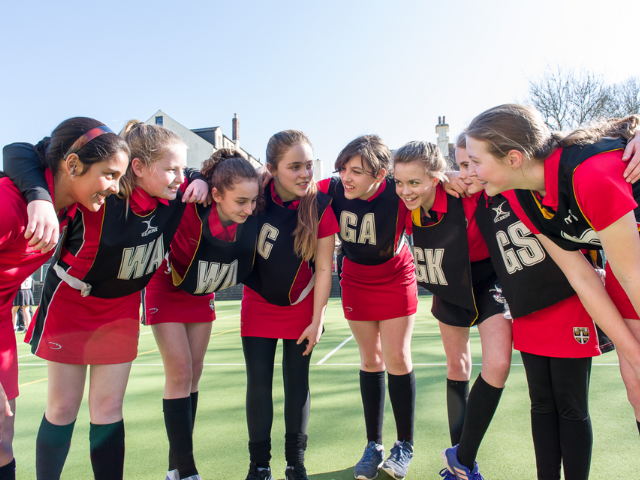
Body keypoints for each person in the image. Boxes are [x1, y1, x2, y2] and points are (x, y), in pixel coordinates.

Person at [3, 120, 208, 480]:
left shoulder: (177, 190)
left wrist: (203, 177)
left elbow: (223, 171)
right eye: (171, 169)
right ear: (138, 169)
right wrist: (38, 195)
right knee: (63, 406)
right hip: (73, 302)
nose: (180, 176)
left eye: (182, 169)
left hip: (120, 308)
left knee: (109, 407)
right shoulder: (97, 191)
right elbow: (22, 152)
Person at [464, 105, 640, 441]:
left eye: (476, 161)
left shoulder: (589, 175)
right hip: (630, 265)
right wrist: (635, 358)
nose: (470, 172)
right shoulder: (520, 197)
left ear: (514, 159)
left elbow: (632, 274)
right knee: (636, 387)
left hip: (633, 266)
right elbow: (582, 277)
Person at [450, 134, 611, 480]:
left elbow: (565, 157)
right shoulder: (476, 202)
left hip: (568, 300)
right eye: (463, 165)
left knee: (571, 405)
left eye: (474, 163)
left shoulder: (523, 183)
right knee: (541, 403)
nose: (468, 172)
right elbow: (420, 181)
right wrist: (446, 176)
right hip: (524, 309)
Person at [0, 117, 130, 480]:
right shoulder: (10, 205)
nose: (117, 188)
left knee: (1, 437)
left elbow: (25, 151)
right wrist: (36, 197)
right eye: (109, 174)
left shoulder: (69, 208)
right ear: (72, 165)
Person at [392, 141, 511, 480]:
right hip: (449, 281)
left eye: (414, 183)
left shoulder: (465, 192)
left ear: (435, 177)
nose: (405, 190)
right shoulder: (405, 207)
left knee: (499, 364)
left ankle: (462, 456)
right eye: (399, 182)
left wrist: (459, 174)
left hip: (487, 277)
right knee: (457, 365)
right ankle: (462, 469)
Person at [144, 148, 261, 480]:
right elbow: (176, 176)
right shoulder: (190, 198)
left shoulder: (247, 214)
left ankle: (174, 468)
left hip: (200, 292)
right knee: (179, 373)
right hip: (166, 285)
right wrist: (194, 176)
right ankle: (188, 470)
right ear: (217, 194)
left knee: (193, 376)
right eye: (240, 202)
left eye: (252, 201)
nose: (248, 209)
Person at [316, 135, 417, 480]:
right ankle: (373, 445)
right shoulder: (330, 189)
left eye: (356, 171)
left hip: (395, 276)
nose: (346, 176)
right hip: (356, 279)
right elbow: (286, 183)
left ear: (381, 173)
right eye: (343, 168)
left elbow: (434, 183)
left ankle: (404, 444)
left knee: (397, 358)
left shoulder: (397, 192)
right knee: (370, 360)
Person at [241, 130, 338, 480]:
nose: (304, 174)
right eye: (294, 166)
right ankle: (259, 465)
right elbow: (215, 178)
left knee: (297, 383)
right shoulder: (254, 192)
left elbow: (325, 269)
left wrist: (318, 319)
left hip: (301, 306)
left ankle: (295, 464)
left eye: (309, 165)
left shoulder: (320, 206)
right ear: (271, 168)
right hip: (258, 300)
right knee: (259, 383)